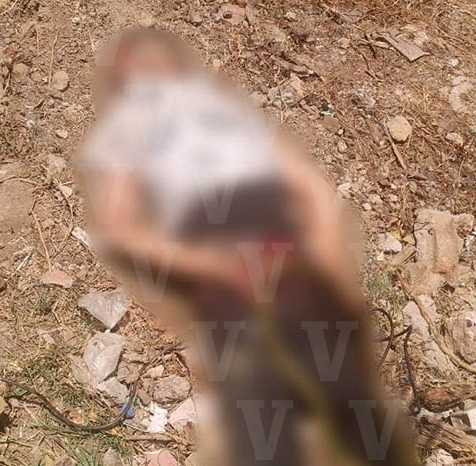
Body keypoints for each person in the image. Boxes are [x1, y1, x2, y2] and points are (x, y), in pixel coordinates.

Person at [76, 28, 419, 466]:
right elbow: (120, 228)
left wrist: (329, 260)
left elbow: (304, 182)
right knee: (260, 402)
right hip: (211, 240)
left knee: (345, 389)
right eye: (137, 68)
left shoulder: (220, 110)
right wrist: (213, 266)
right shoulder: (124, 129)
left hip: (281, 240)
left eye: (158, 62)